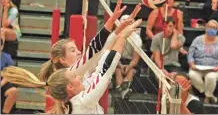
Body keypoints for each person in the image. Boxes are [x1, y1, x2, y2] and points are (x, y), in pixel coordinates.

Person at [2, 18, 143, 114]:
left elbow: (100, 64)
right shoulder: (83, 100)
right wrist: (121, 36)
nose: (78, 76)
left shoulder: (75, 95)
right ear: (70, 86)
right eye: (75, 76)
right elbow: (104, 69)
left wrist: (119, 32)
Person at [39, 0, 141, 112]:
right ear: (62, 59)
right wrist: (121, 34)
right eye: (72, 50)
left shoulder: (74, 93)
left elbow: (101, 56)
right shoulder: (80, 94)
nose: (78, 52)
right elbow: (102, 66)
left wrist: (120, 27)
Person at [187, 20, 218, 104]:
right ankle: (208, 94)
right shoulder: (197, 39)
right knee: (192, 75)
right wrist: (191, 64)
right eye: (210, 27)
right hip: (198, 67)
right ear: (206, 28)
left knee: (210, 77)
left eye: (214, 28)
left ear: (217, 30)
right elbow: (190, 53)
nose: (212, 29)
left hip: (214, 69)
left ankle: (207, 97)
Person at [115, 15, 142, 99]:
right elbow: (113, 55)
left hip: (130, 62)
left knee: (131, 71)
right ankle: (125, 90)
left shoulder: (137, 39)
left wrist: (129, 66)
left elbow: (135, 59)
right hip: (117, 60)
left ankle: (121, 88)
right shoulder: (115, 36)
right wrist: (120, 65)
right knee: (117, 70)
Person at [1, 38, 18, 114]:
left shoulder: (7, 57)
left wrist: (0, 84)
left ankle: (5, 113)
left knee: (13, 91)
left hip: (3, 81)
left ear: (1, 46)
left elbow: (8, 75)